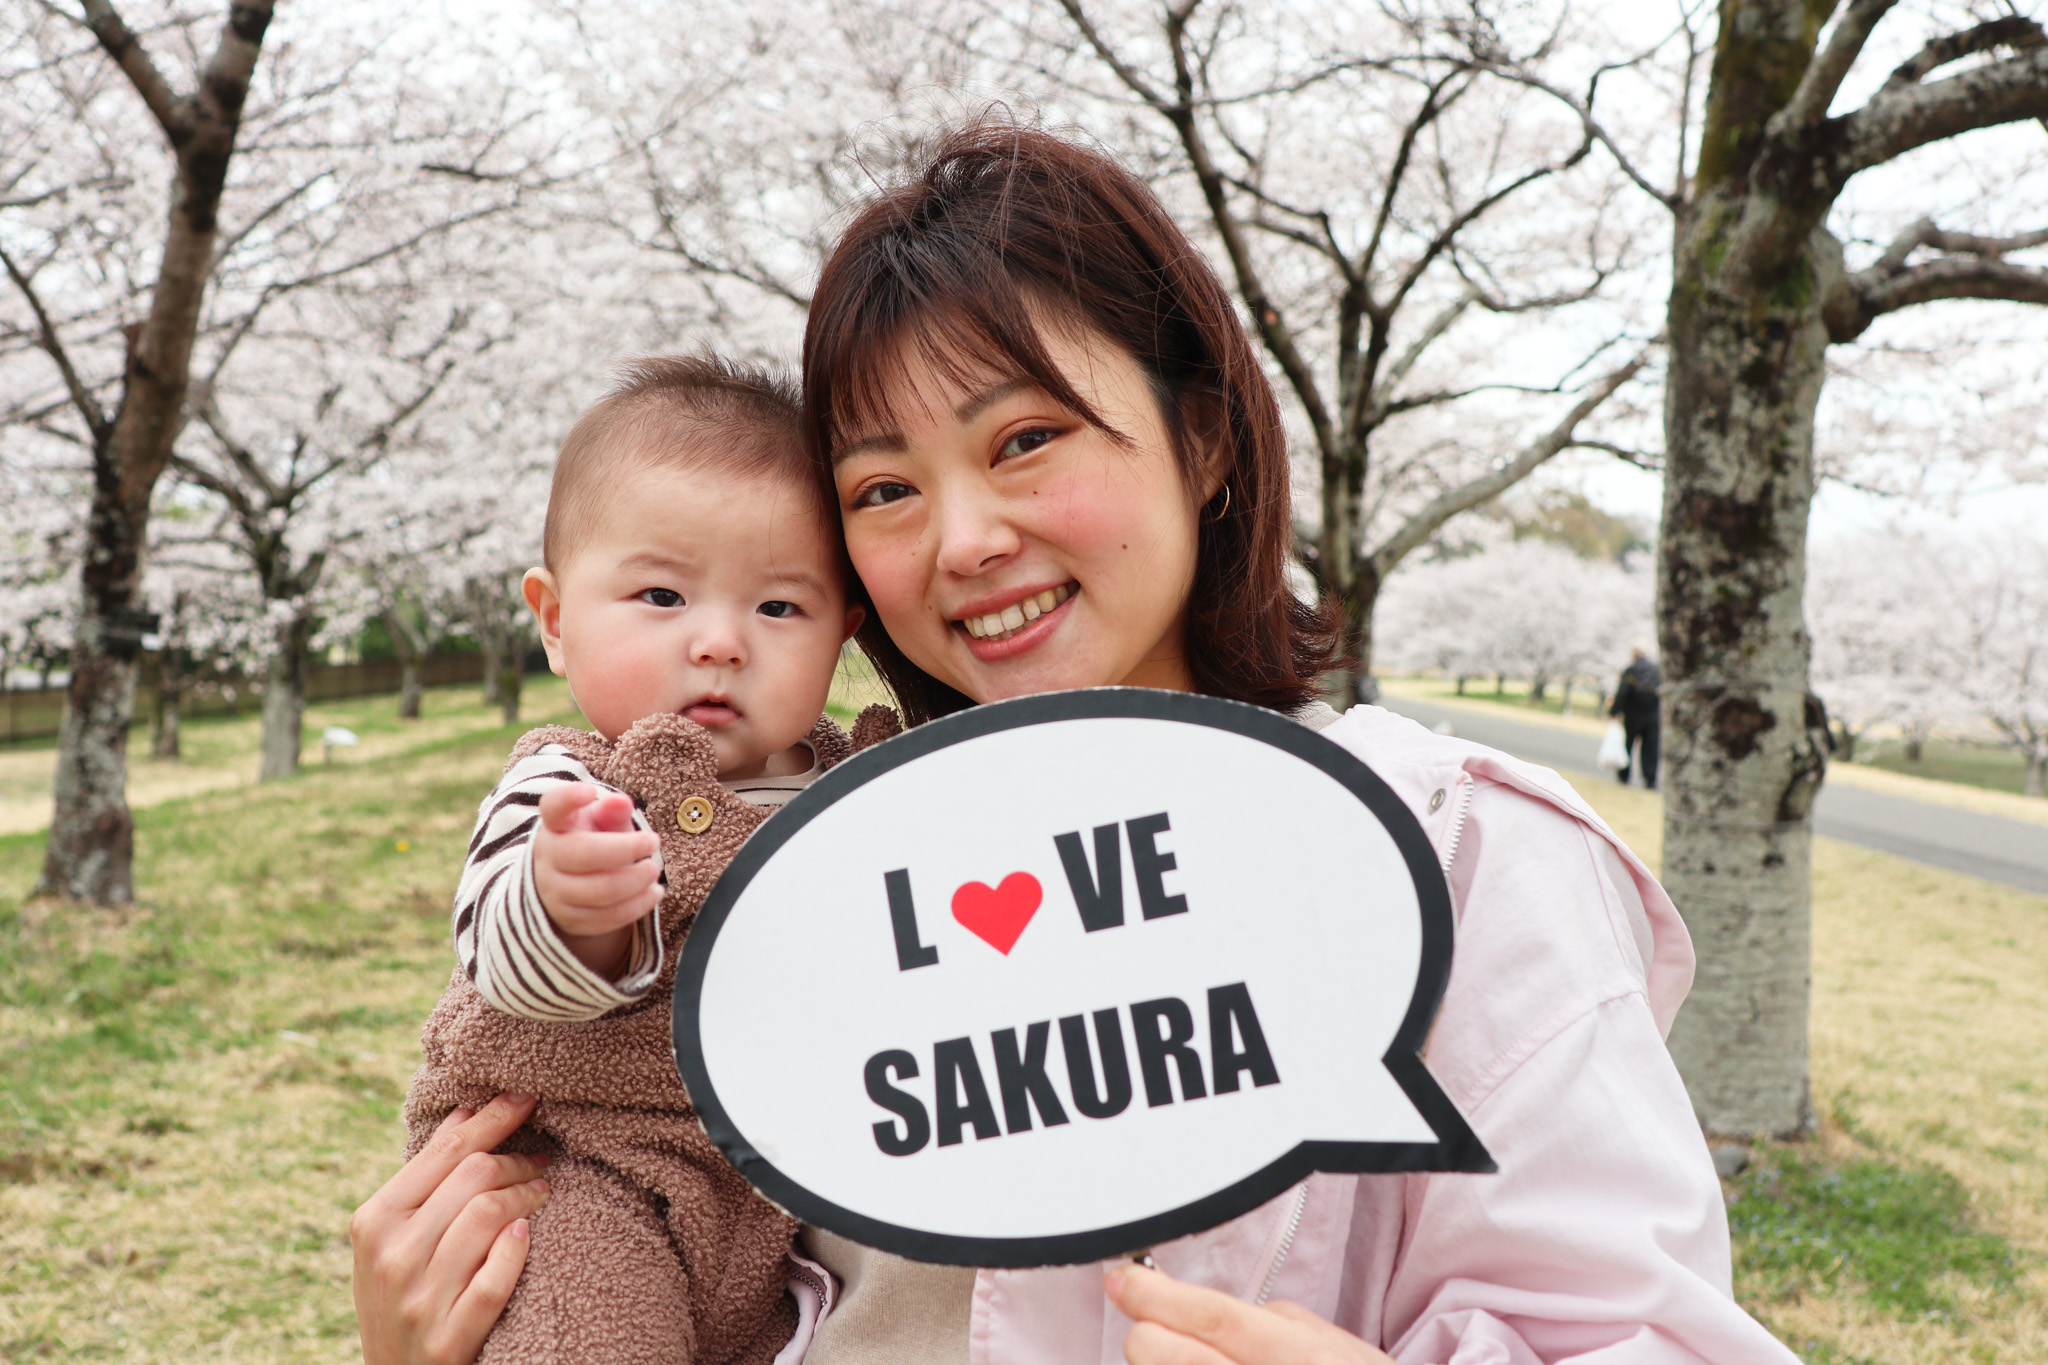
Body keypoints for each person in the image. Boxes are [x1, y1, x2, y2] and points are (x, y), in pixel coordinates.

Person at [353, 124, 1798, 1365]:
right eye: (884, 487)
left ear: (1202, 440)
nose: (965, 540)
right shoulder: (826, 861)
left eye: (1025, 440)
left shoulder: (1455, 852)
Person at [394, 356, 885, 1364]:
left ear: (844, 631)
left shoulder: (855, 791)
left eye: (778, 608)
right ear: (555, 620)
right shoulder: (567, 788)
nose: (720, 642)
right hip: (580, 1173)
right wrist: (571, 904)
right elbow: (505, 959)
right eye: (662, 595)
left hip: (768, 1217)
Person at [1608, 645, 1662, 790]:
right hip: (1653, 717)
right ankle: (1650, 779)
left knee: (1628, 746)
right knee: (1650, 749)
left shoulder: (1631, 670)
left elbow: (1622, 692)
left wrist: (1614, 712)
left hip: (1633, 715)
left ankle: (1624, 776)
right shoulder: (1657, 670)